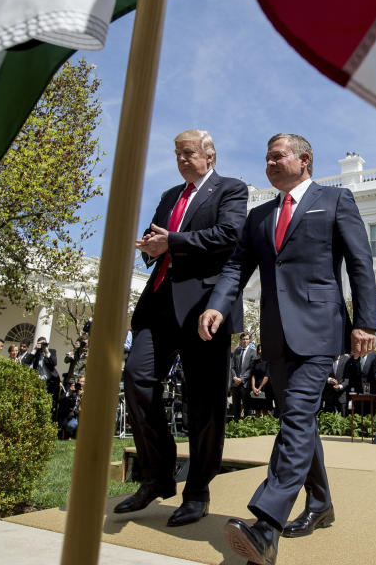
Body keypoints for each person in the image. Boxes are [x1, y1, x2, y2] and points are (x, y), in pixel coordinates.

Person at [199, 133, 376, 565]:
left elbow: (360, 262)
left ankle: (266, 524)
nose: (269, 164)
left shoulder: (335, 200)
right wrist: (218, 305)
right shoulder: (259, 217)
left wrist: (366, 321)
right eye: (266, 158)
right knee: (300, 421)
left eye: (277, 156)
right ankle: (321, 504)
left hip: (320, 330)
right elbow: (237, 267)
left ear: (304, 159)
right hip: (276, 336)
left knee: (297, 416)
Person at [117, 129, 248, 528]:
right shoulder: (169, 195)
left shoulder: (231, 189)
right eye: (176, 153)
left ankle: (197, 492)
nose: (181, 159)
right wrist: (147, 245)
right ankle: (156, 476)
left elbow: (229, 236)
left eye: (188, 153)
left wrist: (171, 242)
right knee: (136, 378)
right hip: (158, 304)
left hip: (204, 307)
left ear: (209, 155)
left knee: (204, 404)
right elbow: (157, 239)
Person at [229, 333, 257, 420]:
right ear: (240, 340)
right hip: (235, 384)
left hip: (245, 384)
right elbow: (232, 366)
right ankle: (236, 424)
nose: (245, 341)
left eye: (247, 339)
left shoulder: (253, 352)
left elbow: (251, 368)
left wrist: (241, 379)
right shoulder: (236, 351)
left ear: (249, 340)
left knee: (247, 406)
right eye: (243, 339)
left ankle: (247, 425)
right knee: (236, 406)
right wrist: (234, 377)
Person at [248, 346, 273, 417]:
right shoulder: (255, 362)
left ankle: (265, 427)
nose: (260, 351)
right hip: (255, 388)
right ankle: (257, 427)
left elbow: (266, 376)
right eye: (259, 349)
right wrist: (253, 387)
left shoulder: (268, 362)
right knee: (257, 410)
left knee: (265, 410)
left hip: (265, 388)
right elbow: (253, 375)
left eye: (262, 349)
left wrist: (259, 388)